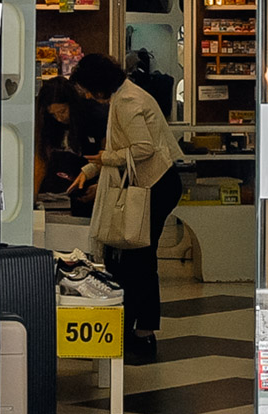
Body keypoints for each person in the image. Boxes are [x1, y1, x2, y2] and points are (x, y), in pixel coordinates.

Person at [68, 52, 184, 363]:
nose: (88, 97)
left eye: (87, 90)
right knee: (134, 260)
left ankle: (143, 335)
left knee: (139, 261)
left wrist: (104, 160)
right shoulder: (126, 96)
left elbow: (142, 149)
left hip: (154, 186)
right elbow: (122, 146)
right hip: (154, 184)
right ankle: (133, 329)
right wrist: (90, 170)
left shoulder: (128, 102)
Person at [35, 76, 107, 215]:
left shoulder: (95, 117)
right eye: (53, 114)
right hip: (57, 196)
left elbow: (107, 155)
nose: (59, 118)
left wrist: (100, 186)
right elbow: (41, 160)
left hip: (92, 190)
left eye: (62, 111)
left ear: (72, 104)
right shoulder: (49, 124)